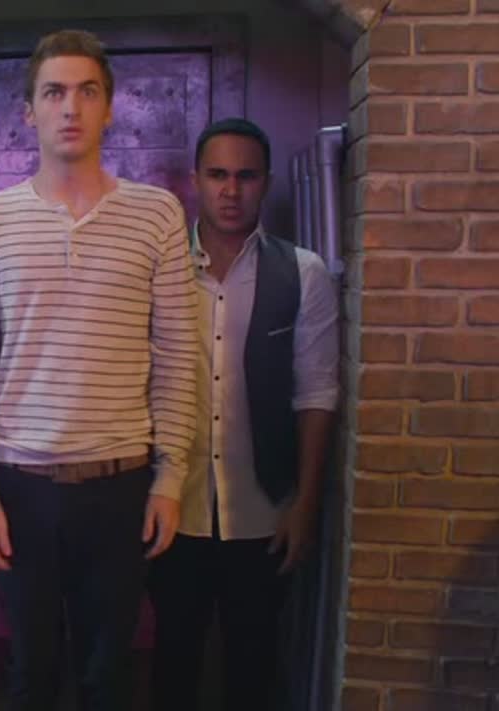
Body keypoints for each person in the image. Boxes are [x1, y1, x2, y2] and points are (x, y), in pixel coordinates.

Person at [0, 29, 198, 710]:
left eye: (87, 92)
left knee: (107, 675)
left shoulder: (157, 215)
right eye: (54, 92)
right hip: (20, 483)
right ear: (28, 110)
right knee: (29, 673)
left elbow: (179, 353)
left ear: (109, 108)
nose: (70, 107)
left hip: (120, 483)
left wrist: (170, 477)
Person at [146, 118, 340, 711]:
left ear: (267, 183)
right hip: (171, 509)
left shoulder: (302, 272)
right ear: (195, 180)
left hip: (263, 511)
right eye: (218, 175)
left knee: (253, 669)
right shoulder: (156, 270)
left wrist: (305, 504)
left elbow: (316, 392)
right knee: (172, 661)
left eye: (246, 176)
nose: (231, 190)